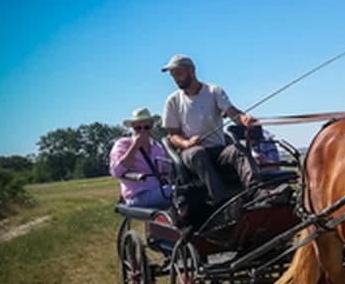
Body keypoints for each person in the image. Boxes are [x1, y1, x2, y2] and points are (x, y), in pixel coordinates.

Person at [160, 54, 258, 204]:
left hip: (218, 150)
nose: (176, 79)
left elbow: (232, 112)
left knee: (237, 149)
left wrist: (244, 119)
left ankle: (256, 192)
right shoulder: (173, 101)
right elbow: (172, 135)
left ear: (192, 71)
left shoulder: (214, 91)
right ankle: (221, 201)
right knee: (198, 153)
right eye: (173, 76)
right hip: (190, 153)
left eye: (178, 73)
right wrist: (187, 143)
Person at [110, 108, 172, 208]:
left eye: (146, 127)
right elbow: (116, 171)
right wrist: (135, 146)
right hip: (136, 196)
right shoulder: (123, 144)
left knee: (187, 191)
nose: (142, 131)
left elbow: (167, 170)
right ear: (133, 128)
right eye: (138, 128)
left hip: (159, 191)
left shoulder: (158, 148)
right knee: (177, 192)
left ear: (151, 126)